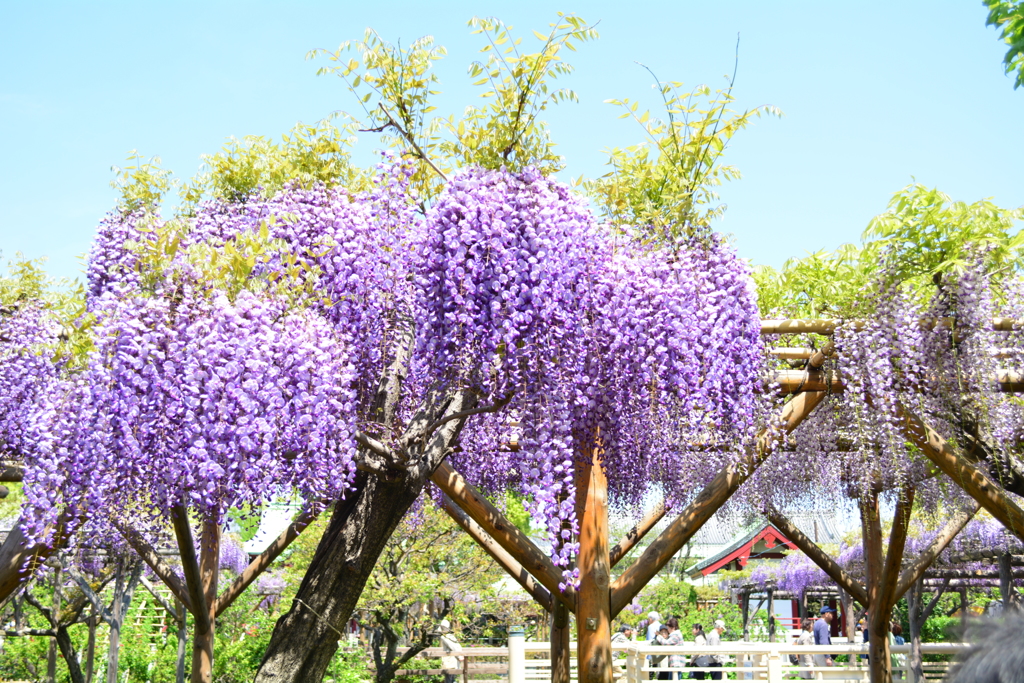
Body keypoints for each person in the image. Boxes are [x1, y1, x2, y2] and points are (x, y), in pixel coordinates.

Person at [438, 619, 463, 683]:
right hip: (452, 659)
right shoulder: (450, 636)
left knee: (450, 678)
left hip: (450, 660)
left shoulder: (445, 637)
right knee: (451, 677)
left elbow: (453, 646)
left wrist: (459, 655)